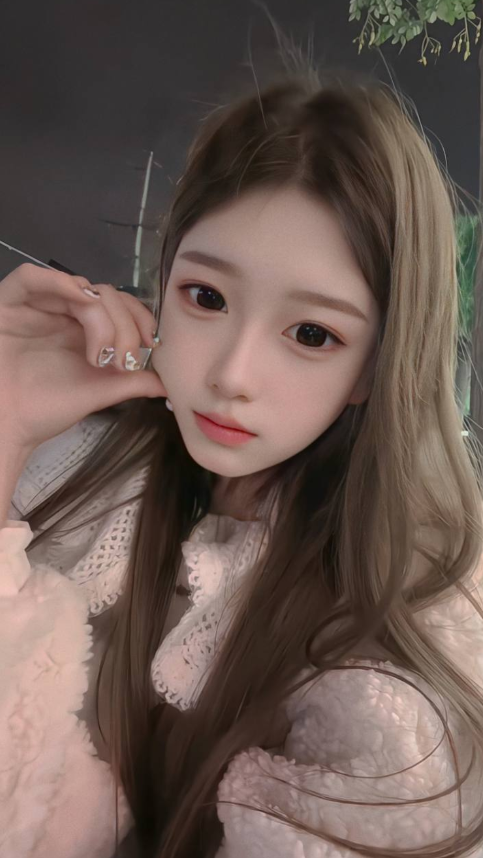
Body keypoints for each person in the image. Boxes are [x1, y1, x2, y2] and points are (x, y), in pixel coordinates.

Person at [1, 40, 483, 858]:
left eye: (311, 334)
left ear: (377, 366)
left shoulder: (408, 622)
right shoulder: (79, 473)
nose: (230, 374)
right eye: (206, 296)